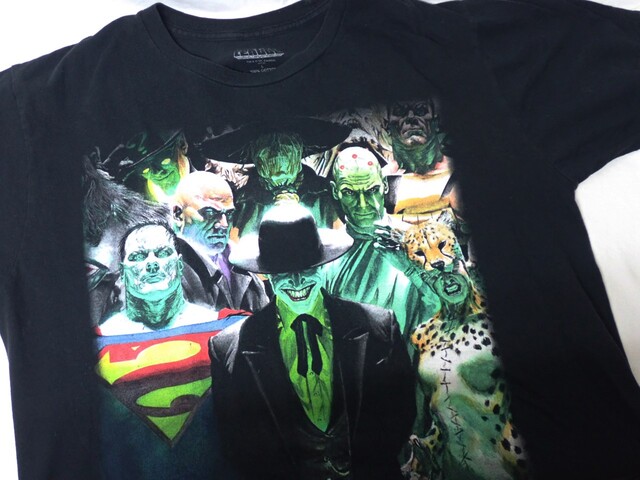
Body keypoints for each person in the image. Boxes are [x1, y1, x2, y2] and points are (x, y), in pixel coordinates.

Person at [209, 203, 415, 480]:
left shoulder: (379, 327)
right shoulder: (228, 348)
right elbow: (235, 440)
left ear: (323, 265)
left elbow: (402, 411)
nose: (297, 282)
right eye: (283, 272)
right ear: (266, 274)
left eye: (306, 269)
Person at [325, 146, 440, 340]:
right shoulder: (327, 255)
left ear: (385, 185)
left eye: (372, 190)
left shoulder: (422, 242)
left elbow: (450, 307)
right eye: (349, 192)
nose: (362, 204)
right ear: (335, 192)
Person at [172, 171, 269, 312]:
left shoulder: (243, 265)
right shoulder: (167, 273)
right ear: (177, 214)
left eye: (229, 214)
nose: (224, 224)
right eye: (210, 213)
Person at [98, 222, 215, 335]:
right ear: (123, 272)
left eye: (163, 253)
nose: (152, 263)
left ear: (179, 265)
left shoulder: (213, 326)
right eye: (138, 256)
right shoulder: (106, 337)